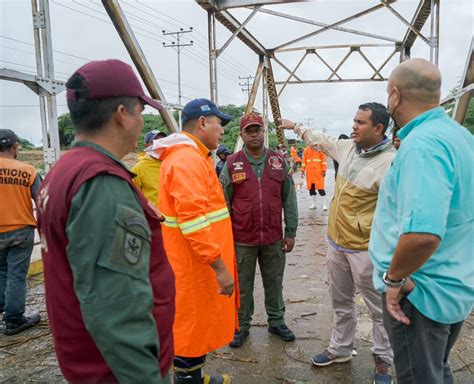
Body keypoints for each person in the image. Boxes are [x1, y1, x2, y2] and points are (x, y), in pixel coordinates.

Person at [36, 59, 175, 383]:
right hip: (118, 371)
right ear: (122, 115)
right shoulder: (102, 185)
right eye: (140, 112)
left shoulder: (64, 170)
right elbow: (118, 306)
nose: (142, 122)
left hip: (94, 362)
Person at [369, 58, 474, 384]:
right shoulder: (460, 137)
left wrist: (394, 280)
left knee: (418, 377)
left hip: (418, 295)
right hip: (452, 282)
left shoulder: (421, 145)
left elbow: (423, 235)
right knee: (437, 370)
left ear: (395, 96)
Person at [279, 103, 395, 384]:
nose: (354, 126)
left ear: (378, 128)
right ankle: (341, 348)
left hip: (366, 249)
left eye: (361, 122)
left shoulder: (391, 162)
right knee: (340, 302)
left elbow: (396, 214)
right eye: (354, 120)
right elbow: (322, 140)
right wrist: (296, 126)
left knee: (379, 309)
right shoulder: (348, 149)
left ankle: (383, 360)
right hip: (337, 243)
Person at [149, 98, 237, 384]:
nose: (222, 131)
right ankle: (189, 380)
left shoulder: (192, 156)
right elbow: (194, 222)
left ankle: (194, 376)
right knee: (189, 327)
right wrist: (219, 266)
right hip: (194, 265)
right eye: (218, 124)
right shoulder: (187, 160)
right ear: (202, 123)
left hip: (193, 263)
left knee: (194, 326)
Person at [219, 113, 298, 348]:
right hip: (242, 238)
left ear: (264, 132)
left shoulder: (278, 161)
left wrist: (290, 231)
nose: (254, 134)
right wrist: (225, 237)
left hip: (273, 237)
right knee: (242, 284)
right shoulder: (232, 163)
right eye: (249, 131)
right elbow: (223, 203)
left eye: (258, 130)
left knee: (274, 281)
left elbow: (289, 199)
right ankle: (241, 326)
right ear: (241, 135)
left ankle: (276, 321)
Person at [0, 129, 42, 335]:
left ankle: (3, 307)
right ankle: (14, 319)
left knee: (1, 271)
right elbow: (42, 201)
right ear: (15, 146)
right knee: (16, 276)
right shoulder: (28, 170)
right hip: (21, 230)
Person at [132, 129, 168, 206]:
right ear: (146, 145)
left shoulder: (171, 163)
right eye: (154, 141)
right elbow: (132, 196)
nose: (159, 144)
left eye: (162, 140)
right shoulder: (139, 168)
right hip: (154, 216)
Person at [301, 145, 327, 210]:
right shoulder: (306, 149)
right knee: (311, 189)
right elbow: (304, 161)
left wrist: (324, 170)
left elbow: (323, 161)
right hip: (310, 173)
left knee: (320, 188)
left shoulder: (320, 149)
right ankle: (313, 204)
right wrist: (302, 170)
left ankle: (324, 204)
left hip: (318, 172)